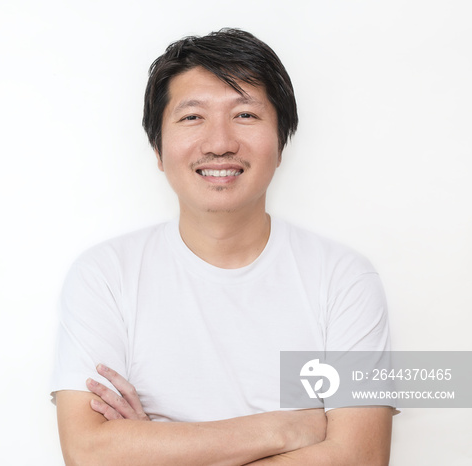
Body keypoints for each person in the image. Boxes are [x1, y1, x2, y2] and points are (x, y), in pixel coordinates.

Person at [51, 28, 394, 465]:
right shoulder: (105, 275)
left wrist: (153, 448)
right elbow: (88, 452)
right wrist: (287, 428)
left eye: (245, 115)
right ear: (158, 149)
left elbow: (359, 457)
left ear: (281, 143)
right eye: (192, 117)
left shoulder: (344, 279)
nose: (219, 143)